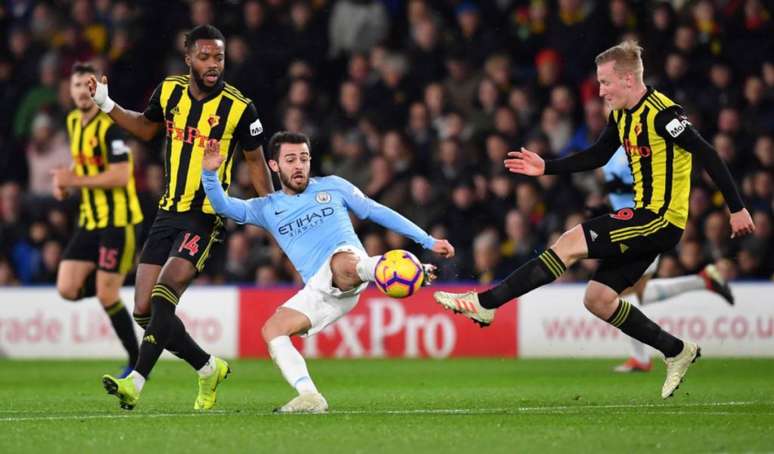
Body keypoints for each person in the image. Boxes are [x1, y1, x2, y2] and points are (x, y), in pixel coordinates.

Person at [434, 40, 755, 399]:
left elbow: (708, 154)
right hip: (644, 219)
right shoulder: (621, 115)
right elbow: (600, 155)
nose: (600, 91)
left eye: (606, 82)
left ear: (629, 80)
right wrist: (547, 167)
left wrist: (736, 207)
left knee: (570, 242)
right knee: (598, 299)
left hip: (659, 219)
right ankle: (677, 350)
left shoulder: (664, 115)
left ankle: (486, 304)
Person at [202, 131, 455, 413]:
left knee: (344, 260)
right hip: (320, 290)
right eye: (290, 160)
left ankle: (395, 268)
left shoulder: (333, 186)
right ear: (274, 166)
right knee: (273, 330)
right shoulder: (267, 208)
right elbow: (222, 205)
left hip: (347, 264)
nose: (299, 165)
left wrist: (427, 240)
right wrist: (209, 174)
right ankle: (310, 396)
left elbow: (376, 210)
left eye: (304, 158)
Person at [90, 25, 274, 411]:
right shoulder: (170, 90)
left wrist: (276, 215)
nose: (213, 65)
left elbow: (256, 163)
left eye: (219, 57)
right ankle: (208, 368)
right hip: (167, 212)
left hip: (205, 216)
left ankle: (135, 382)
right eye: (205, 57)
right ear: (188, 57)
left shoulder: (241, 107)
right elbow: (144, 127)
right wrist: (108, 106)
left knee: (163, 294)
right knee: (143, 310)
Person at [602, 145, 734, 373]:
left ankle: (640, 358)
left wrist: (624, 186)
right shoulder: (612, 149)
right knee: (636, 292)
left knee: (619, 292)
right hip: (624, 225)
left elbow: (658, 180)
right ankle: (703, 281)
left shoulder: (641, 142)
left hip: (644, 226)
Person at [52, 62, 143, 378]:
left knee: (106, 294)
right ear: (70, 91)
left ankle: (136, 358)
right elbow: (84, 167)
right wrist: (64, 182)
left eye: (86, 85)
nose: (80, 91)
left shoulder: (110, 126)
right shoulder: (73, 122)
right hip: (89, 221)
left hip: (118, 222)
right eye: (75, 85)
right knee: (66, 287)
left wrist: (73, 181)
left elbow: (120, 175)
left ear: (96, 89)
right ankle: (109, 281)